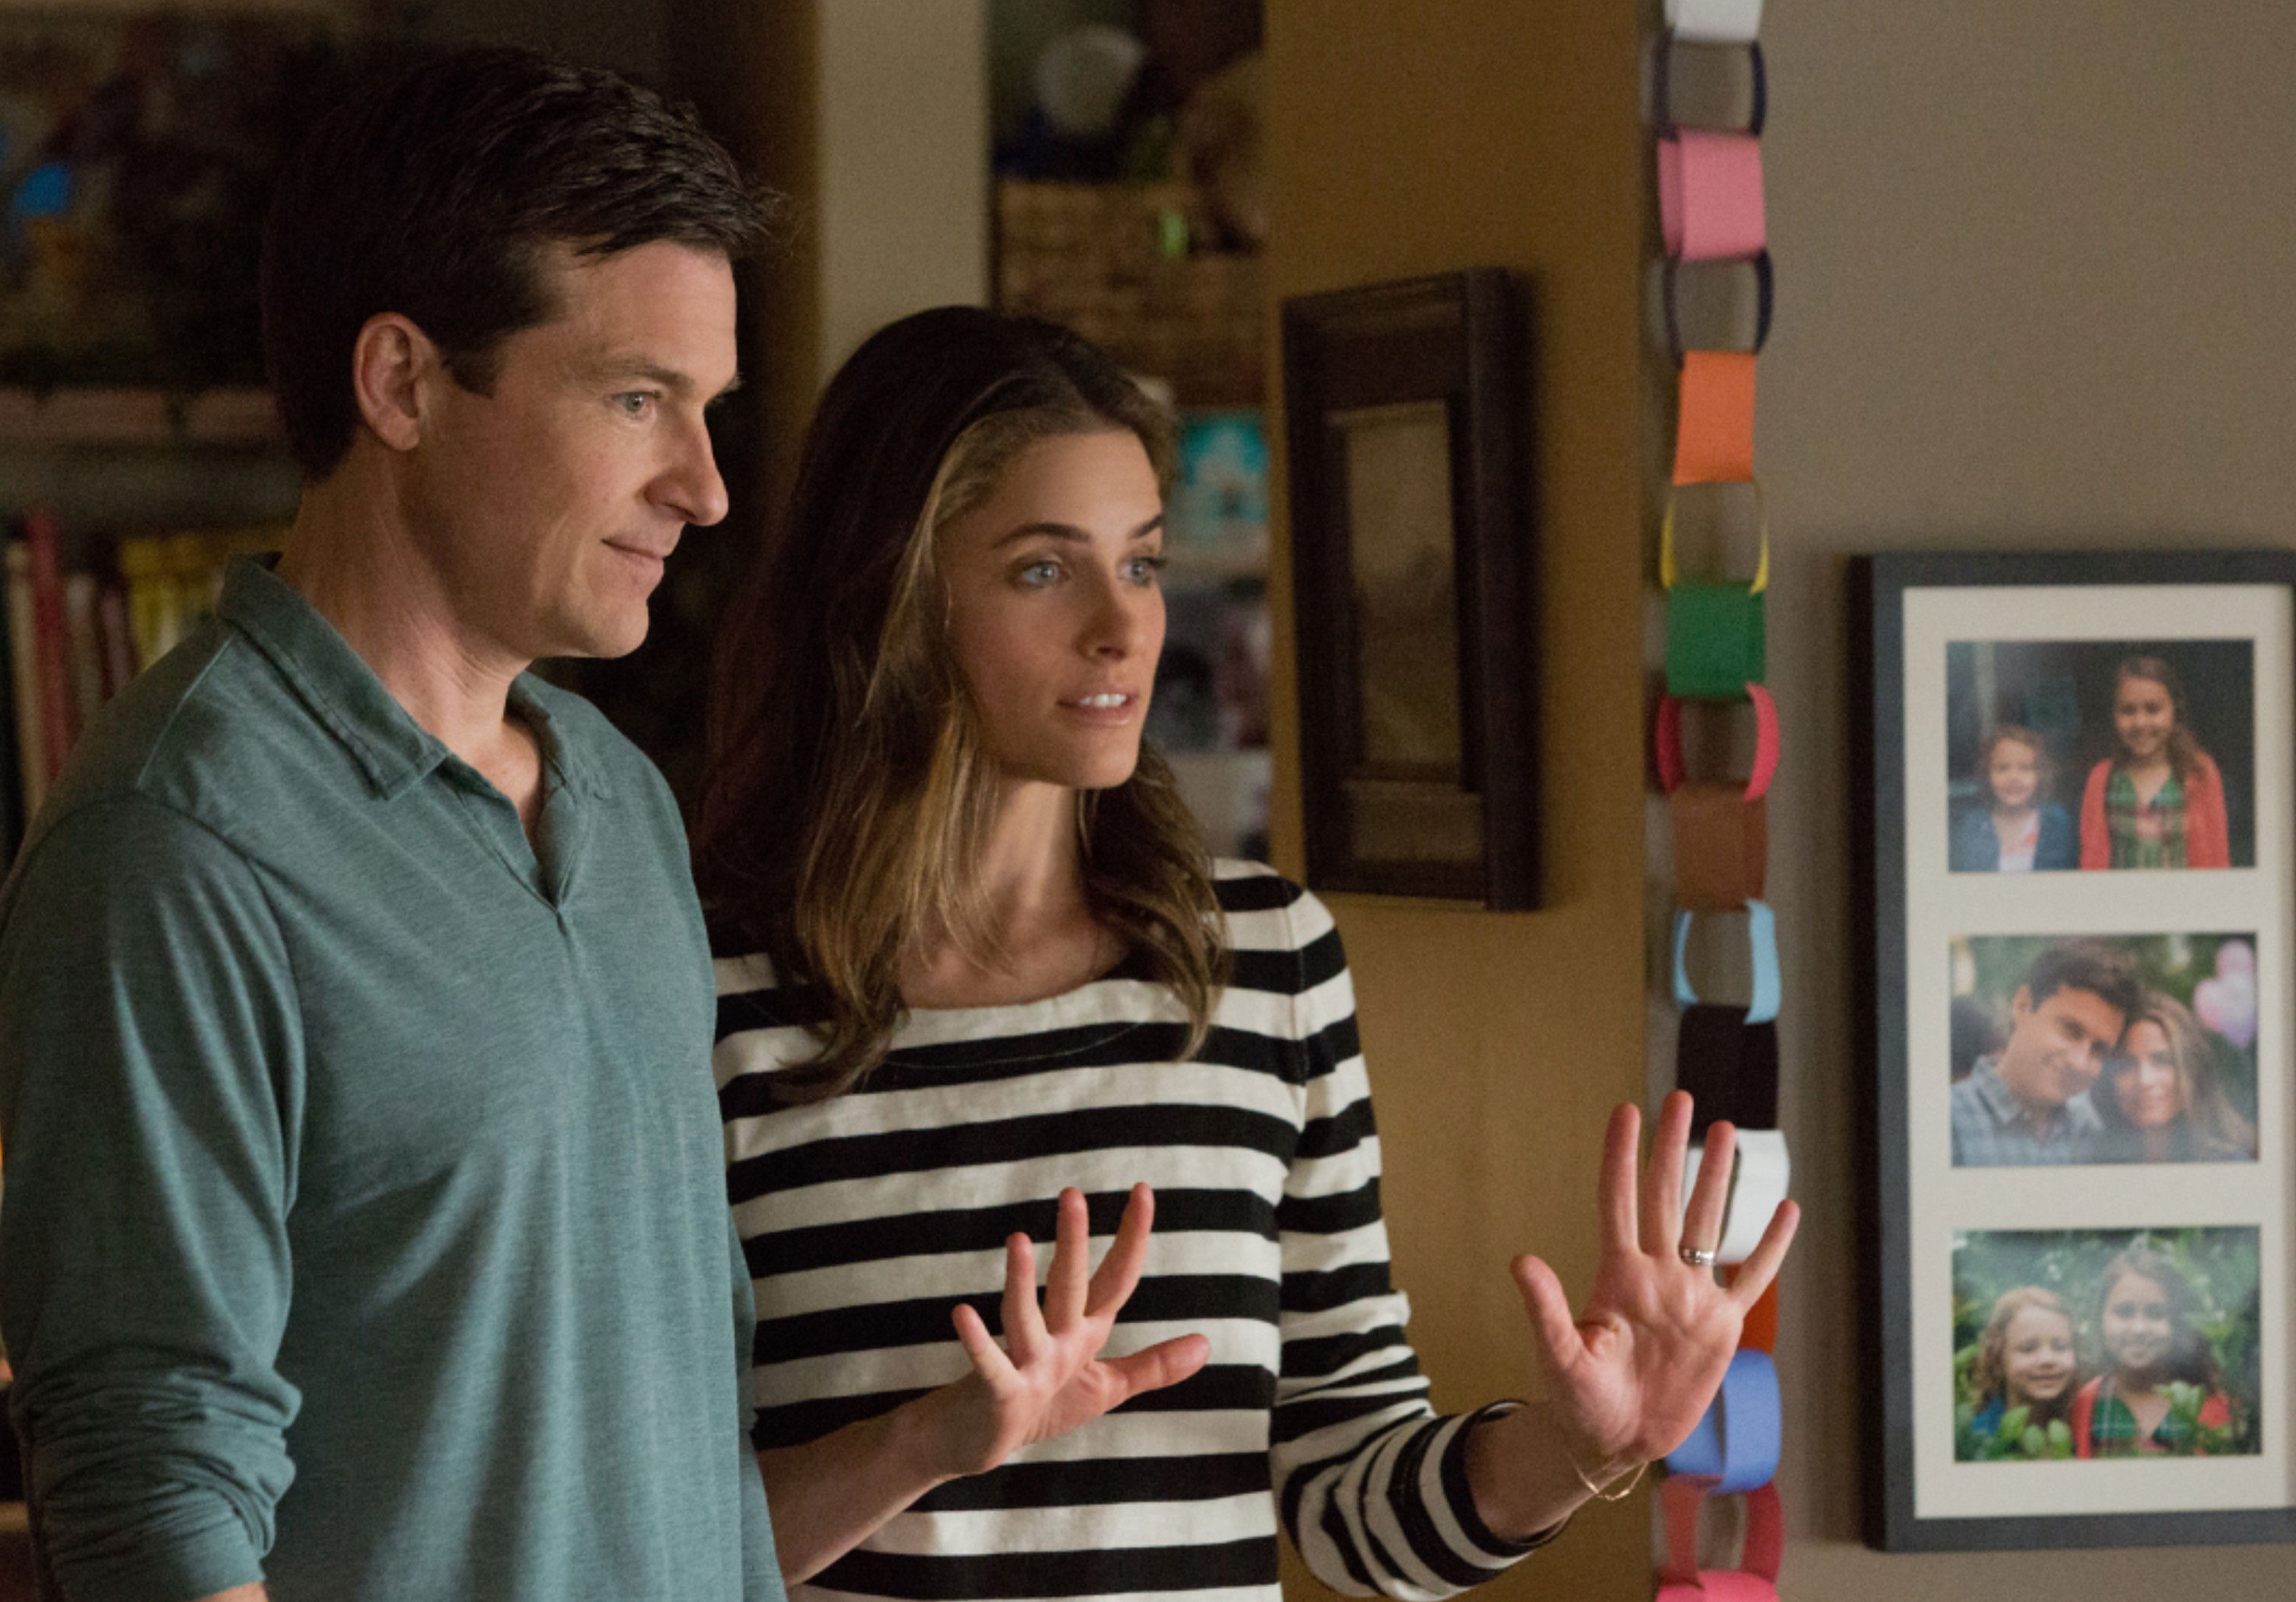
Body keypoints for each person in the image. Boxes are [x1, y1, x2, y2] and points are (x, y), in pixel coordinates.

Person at [696, 308, 1798, 1599]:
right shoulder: (710, 997)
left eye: (1142, 564)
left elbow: (1350, 1497)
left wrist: (1574, 1448)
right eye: (1044, 570)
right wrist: (921, 1445)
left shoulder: (1264, 964)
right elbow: (633, 1539)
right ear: (891, 598)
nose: (1124, 627)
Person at [0, 50, 785, 1601]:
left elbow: (692, 1404)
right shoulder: (173, 840)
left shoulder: (621, 799)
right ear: (404, 384)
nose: (703, 489)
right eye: (638, 400)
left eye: (707, 413)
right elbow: (152, 1491)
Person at [1949, 939, 2140, 1167]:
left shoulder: (2089, 1129)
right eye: (2071, 1030)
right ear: (2023, 1006)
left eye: (2099, 1049)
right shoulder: (1950, 1122)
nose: (2079, 1062)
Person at [2069, 1248, 2238, 1457]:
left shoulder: (2218, 1407)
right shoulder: (2085, 1404)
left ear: (2178, 1323)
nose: (2139, 1329)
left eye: (2155, 1313)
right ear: (2101, 1319)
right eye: (2124, 1312)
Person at [2077, 653, 2231, 869]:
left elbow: (2217, 857)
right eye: (2128, 710)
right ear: (2114, 715)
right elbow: (2091, 861)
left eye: (2153, 709)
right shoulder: (2102, 778)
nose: (2140, 723)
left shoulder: (2199, 772)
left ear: (2175, 710)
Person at [2085, 993, 2255, 1164]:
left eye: (2162, 1061)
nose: (2144, 1080)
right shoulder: (2092, 1159)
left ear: (2192, 1070)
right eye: (2126, 1065)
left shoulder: (2228, 1163)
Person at [1961, 1286, 2079, 1455]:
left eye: (2060, 1347)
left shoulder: (2085, 1428)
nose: (2047, 1359)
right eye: (2028, 1348)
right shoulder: (1977, 1441)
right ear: (1998, 1357)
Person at [1950, 723, 2076, 872]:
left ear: (2040, 775)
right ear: (1987, 775)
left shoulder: (2056, 821)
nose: (2013, 778)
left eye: (2025, 768)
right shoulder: (1973, 825)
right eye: (2002, 768)